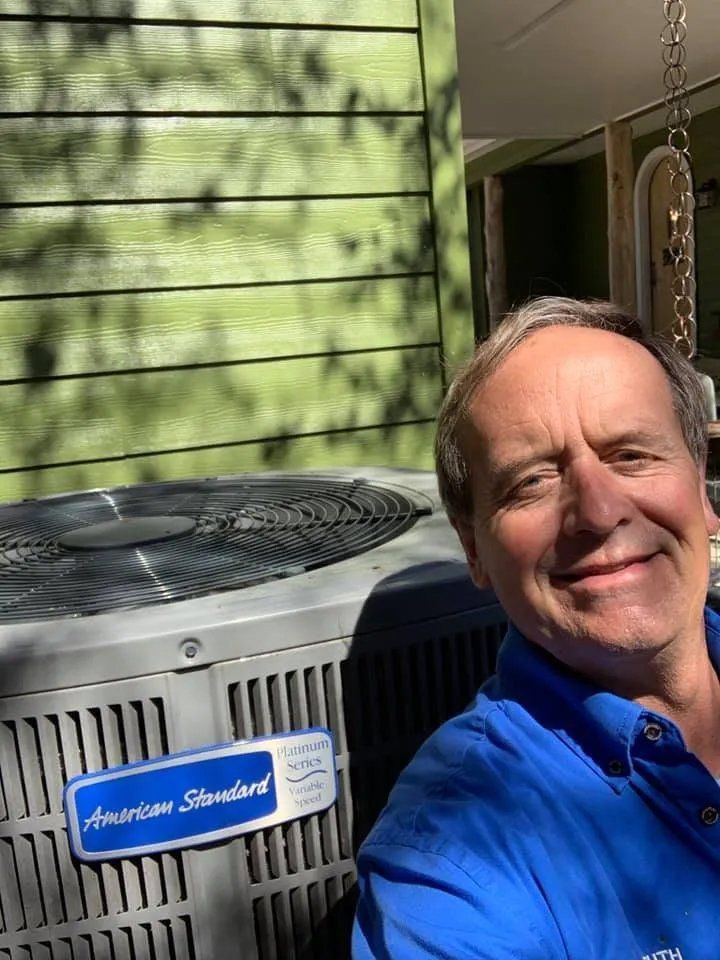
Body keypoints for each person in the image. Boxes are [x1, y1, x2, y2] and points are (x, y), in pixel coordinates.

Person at [352, 298, 720, 960]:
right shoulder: (453, 864)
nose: (598, 512)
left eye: (631, 454)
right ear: (474, 549)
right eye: (531, 482)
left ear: (701, 489)